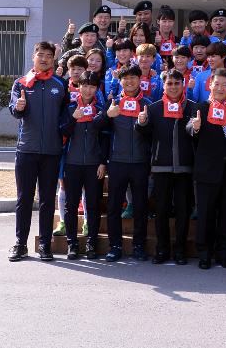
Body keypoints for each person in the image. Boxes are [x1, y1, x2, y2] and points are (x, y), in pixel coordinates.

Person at [8, 41, 69, 262]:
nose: (43, 59)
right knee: (24, 199)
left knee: (46, 200)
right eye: (40, 54)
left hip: (52, 152)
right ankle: (20, 244)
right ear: (33, 56)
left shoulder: (60, 84)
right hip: (26, 150)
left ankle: (45, 244)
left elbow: (65, 118)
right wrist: (19, 107)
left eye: (48, 56)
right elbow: (14, 109)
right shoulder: (21, 83)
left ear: (53, 60)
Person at [136, 69, 197, 266]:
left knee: (183, 211)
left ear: (183, 84)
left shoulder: (193, 108)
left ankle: (180, 250)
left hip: (185, 168)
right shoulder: (153, 109)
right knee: (161, 211)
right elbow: (145, 134)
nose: (173, 87)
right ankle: (162, 250)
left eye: (177, 83)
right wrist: (142, 123)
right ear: (164, 85)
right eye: (169, 84)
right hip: (161, 167)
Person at [187, 69, 226, 269]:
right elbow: (190, 130)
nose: (220, 88)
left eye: (224, 85)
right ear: (210, 85)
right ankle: (204, 253)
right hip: (206, 172)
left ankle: (224, 253)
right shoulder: (200, 108)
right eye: (217, 84)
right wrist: (195, 127)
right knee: (205, 215)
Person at [104, 64, 153, 262]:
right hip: (117, 161)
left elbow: (153, 136)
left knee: (140, 207)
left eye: (134, 78)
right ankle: (115, 246)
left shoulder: (148, 104)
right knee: (114, 206)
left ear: (140, 80)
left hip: (141, 163)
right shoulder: (114, 103)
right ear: (120, 81)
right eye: (126, 78)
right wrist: (108, 114)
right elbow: (102, 130)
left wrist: (144, 124)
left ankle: (139, 246)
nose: (130, 81)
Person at [59, 71, 108, 260]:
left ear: (97, 89)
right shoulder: (70, 107)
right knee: (71, 206)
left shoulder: (101, 109)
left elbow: (105, 138)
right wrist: (73, 118)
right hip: (72, 163)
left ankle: (91, 244)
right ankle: (72, 243)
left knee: (93, 205)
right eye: (85, 85)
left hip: (94, 164)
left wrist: (103, 162)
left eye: (92, 86)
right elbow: (62, 131)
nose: (88, 90)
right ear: (78, 86)